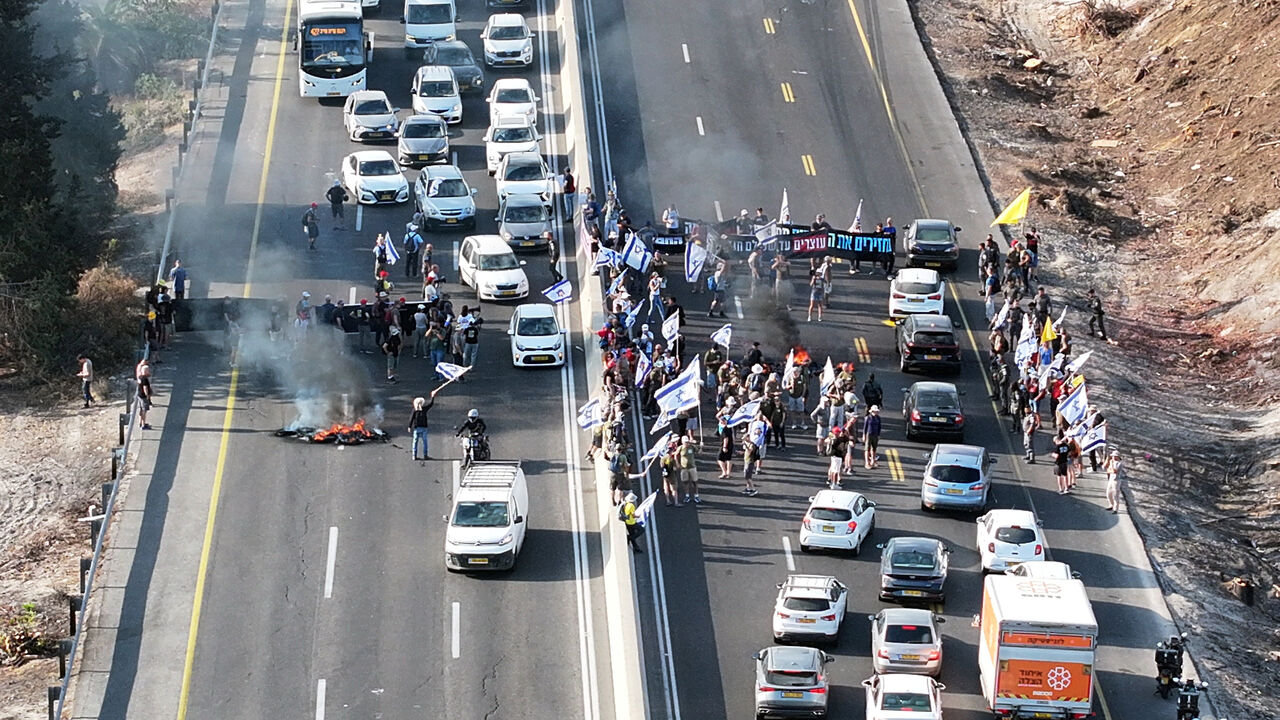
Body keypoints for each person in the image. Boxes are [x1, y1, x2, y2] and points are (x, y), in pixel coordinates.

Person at [408, 390, 440, 460]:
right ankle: (425, 455)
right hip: (424, 428)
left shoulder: (414, 410)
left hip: (417, 428)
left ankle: (414, 455)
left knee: (415, 442)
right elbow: (431, 404)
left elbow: (411, 418)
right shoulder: (424, 409)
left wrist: (409, 426)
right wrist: (432, 396)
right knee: (425, 442)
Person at [134, 357, 153, 429]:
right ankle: (143, 425)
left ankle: (140, 422)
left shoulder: (140, 377)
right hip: (143, 396)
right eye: (148, 370)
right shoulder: (145, 379)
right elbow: (145, 387)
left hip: (139, 395)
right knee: (144, 410)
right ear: (146, 371)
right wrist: (147, 395)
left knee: (141, 409)